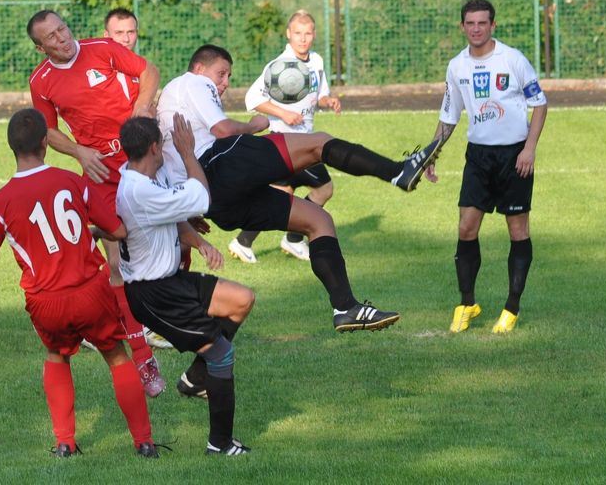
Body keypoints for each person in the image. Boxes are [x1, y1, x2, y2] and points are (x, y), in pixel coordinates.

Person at [156, 44, 443, 344]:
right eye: (221, 73)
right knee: (318, 143)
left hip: (213, 199)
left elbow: (169, 167)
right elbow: (224, 129)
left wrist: (191, 210)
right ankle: (398, 171)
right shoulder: (193, 81)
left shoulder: (169, 105)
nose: (225, 81)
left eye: (228, 75)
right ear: (200, 69)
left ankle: (345, 307)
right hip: (221, 164)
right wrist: (255, 124)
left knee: (318, 220)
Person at [0, 109, 159, 458]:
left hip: (46, 300)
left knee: (56, 355)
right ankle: (143, 442)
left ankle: (65, 442)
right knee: (117, 356)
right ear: (46, 143)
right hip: (90, 291)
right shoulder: (72, 182)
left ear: (11, 147)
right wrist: (91, 232)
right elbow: (119, 230)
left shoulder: (1, 201)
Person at [27, 10, 166, 395]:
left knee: (169, 235)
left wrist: (141, 107)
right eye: (51, 38)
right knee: (116, 261)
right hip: (100, 168)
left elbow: (149, 71)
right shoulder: (41, 81)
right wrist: (79, 152)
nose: (62, 38)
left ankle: (164, 318)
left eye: (63, 29)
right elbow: (47, 130)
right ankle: (142, 357)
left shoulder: (102, 48)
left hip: (138, 157)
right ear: (41, 48)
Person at [118, 113, 254, 456]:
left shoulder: (145, 175)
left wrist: (199, 242)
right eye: (162, 144)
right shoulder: (139, 190)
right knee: (222, 354)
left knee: (241, 299)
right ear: (153, 148)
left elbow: (173, 216)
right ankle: (220, 445)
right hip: (154, 295)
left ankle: (195, 380)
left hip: (171, 280)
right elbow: (201, 199)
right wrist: (189, 152)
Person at [424, 0, 548, 334]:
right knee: (466, 227)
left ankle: (511, 308)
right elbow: (448, 117)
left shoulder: (513, 59)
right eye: (470, 23)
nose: (476, 29)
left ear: (493, 25)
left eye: (482, 23)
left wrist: (530, 149)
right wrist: (430, 156)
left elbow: (539, 104)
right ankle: (467, 303)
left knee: (517, 230)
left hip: (514, 157)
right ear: (462, 26)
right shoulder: (457, 67)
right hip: (478, 157)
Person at [229, 10, 341, 263]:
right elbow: (252, 98)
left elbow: (319, 94)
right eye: (298, 33)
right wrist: (283, 113)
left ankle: (243, 241)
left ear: (314, 35)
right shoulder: (279, 66)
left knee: (281, 192)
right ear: (288, 34)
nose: (303, 39)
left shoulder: (317, 62)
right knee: (324, 189)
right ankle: (293, 239)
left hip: (301, 139)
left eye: (308, 33)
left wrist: (328, 100)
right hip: (288, 140)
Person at [102, 7, 174, 351]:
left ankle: (153, 321)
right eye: (119, 33)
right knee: (118, 256)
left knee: (168, 240)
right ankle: (114, 324)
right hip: (110, 174)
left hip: (144, 172)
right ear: (106, 37)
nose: (126, 39)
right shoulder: (99, 76)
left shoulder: (143, 73)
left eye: (131, 32)